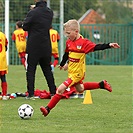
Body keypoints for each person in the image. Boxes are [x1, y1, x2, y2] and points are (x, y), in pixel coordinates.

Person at [40, 19, 120, 116]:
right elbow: (66, 53)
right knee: (80, 89)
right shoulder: (69, 42)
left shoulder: (84, 43)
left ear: (76, 31)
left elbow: (97, 47)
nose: (67, 35)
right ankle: (101, 84)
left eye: (69, 33)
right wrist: (62, 64)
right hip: (71, 72)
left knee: (60, 90)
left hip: (78, 73)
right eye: (66, 33)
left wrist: (109, 45)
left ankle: (47, 109)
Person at [22, 0, 56, 100]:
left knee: (31, 69)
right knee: (47, 69)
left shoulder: (33, 12)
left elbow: (25, 27)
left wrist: (32, 11)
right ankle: (53, 92)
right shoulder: (49, 12)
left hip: (34, 45)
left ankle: (31, 93)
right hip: (46, 45)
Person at [0, 31, 8, 100]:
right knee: (3, 77)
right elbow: (6, 47)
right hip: (2, 60)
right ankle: (4, 95)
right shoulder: (2, 35)